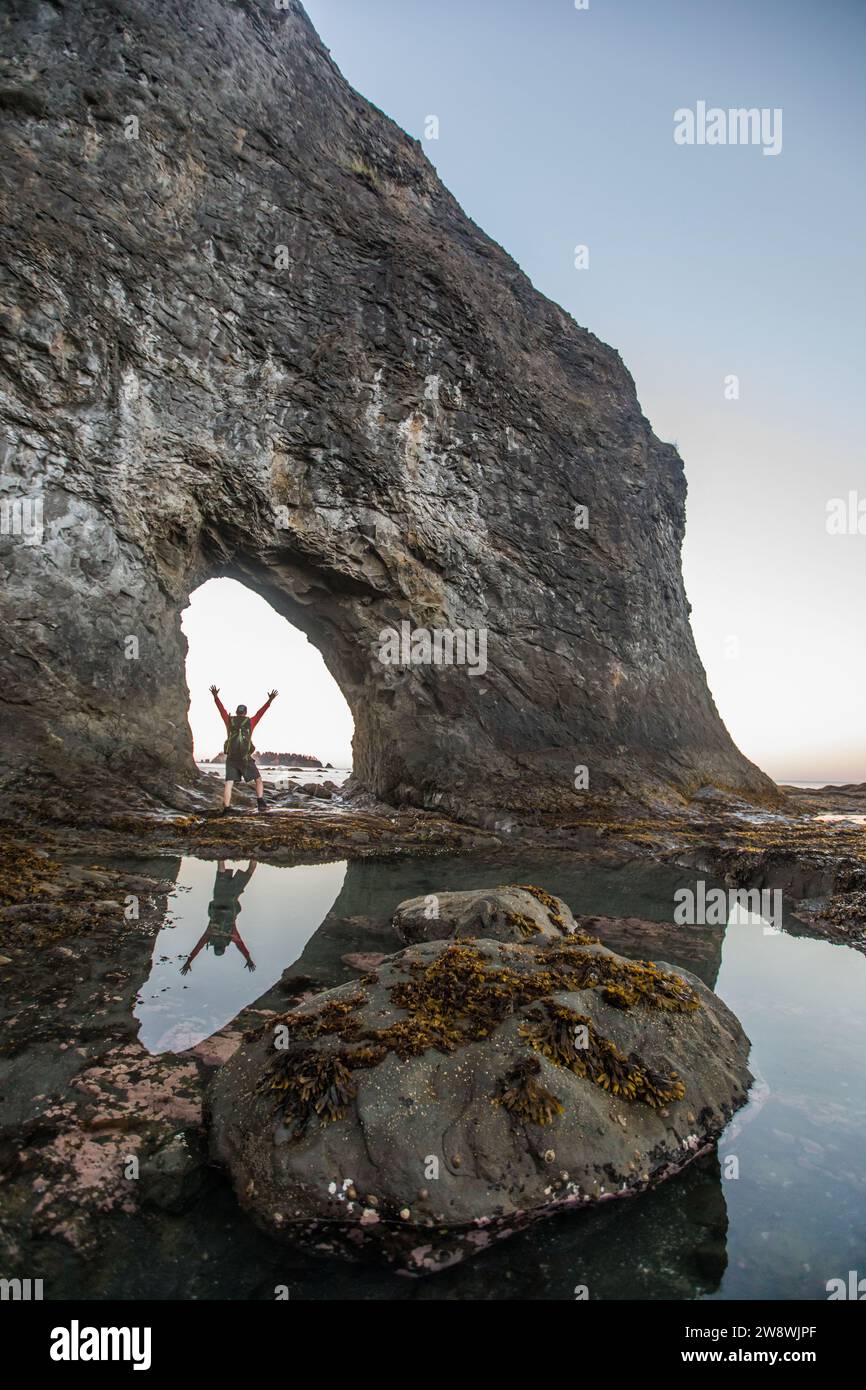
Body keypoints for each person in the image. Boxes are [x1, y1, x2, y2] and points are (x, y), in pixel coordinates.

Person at [209, 684, 278, 813]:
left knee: (229, 783)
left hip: (231, 757)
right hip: (245, 758)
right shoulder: (250, 722)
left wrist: (215, 696)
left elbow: (221, 710)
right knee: (258, 779)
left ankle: (227, 808)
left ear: (236, 712)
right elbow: (260, 712)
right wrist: (270, 700)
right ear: (245, 713)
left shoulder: (229, 721)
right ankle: (261, 803)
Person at [180, 859, 257, 972]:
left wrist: (248, 958)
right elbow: (199, 946)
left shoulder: (230, 934)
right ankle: (221, 850)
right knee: (221, 867)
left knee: (250, 871)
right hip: (219, 896)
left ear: (225, 945)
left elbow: (241, 946)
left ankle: (253, 854)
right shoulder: (211, 933)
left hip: (232, 896)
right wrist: (188, 961)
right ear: (214, 944)